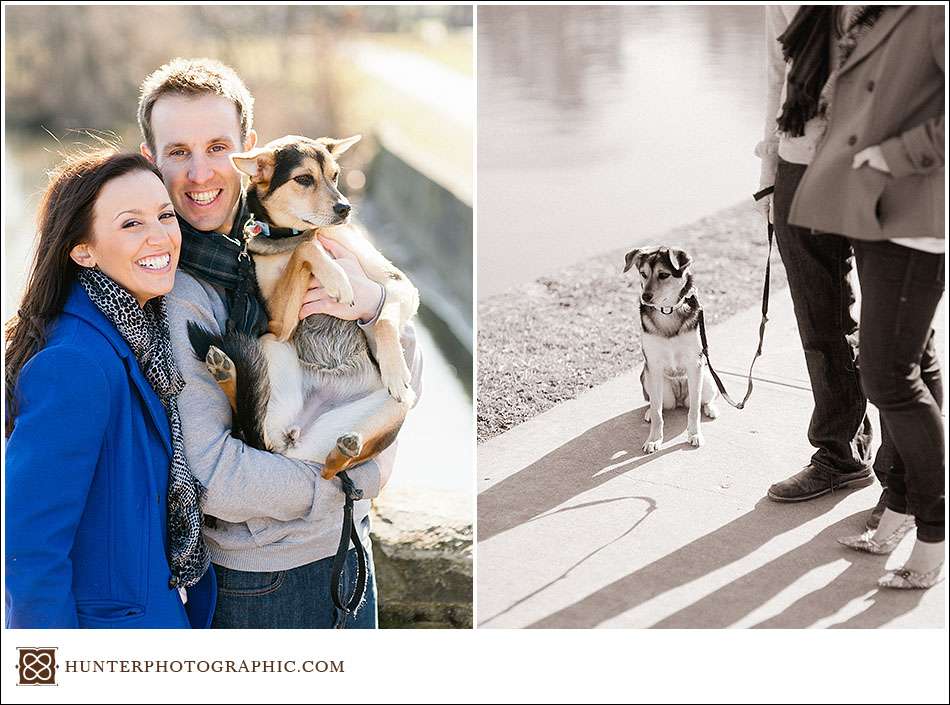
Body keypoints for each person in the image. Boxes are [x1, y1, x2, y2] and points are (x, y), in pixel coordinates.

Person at [136, 58, 421, 627]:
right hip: (263, 582)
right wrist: (350, 484)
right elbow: (216, 476)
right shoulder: (176, 289)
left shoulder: (295, 226)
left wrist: (374, 305)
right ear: (152, 161)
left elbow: (403, 364)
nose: (200, 174)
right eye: (178, 152)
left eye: (218, 147)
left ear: (252, 153)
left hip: (349, 556)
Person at [5, 150, 216, 627]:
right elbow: (30, 551)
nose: (160, 236)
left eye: (165, 215)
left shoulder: (147, 335)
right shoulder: (72, 363)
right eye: (130, 224)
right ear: (83, 250)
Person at [786, 5, 945, 589]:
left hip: (915, 212)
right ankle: (901, 507)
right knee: (894, 368)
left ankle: (935, 533)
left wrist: (890, 157)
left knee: (888, 377)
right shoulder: (881, 10)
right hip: (876, 209)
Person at [754, 5, 875, 507]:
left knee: (898, 328)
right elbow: (778, 74)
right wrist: (769, 177)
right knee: (819, 318)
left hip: (879, 164)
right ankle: (839, 453)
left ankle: (908, 478)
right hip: (799, 163)